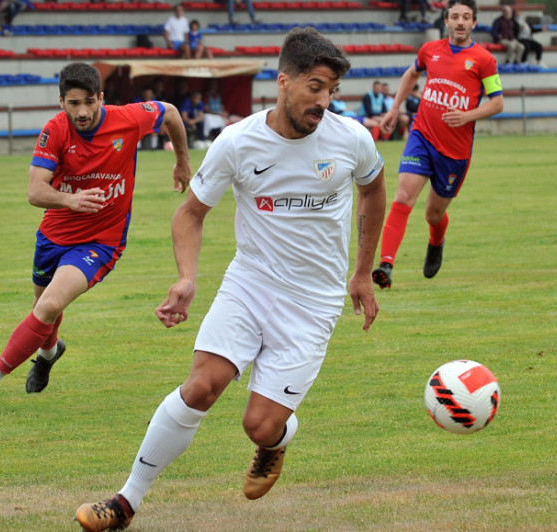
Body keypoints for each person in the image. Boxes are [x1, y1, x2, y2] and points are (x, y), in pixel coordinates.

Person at [74, 26, 386, 532]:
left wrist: (362, 273)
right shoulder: (238, 142)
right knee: (200, 387)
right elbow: (189, 213)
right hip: (250, 285)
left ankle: (276, 440)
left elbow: (373, 192)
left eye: (332, 91)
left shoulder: (350, 138)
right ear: (284, 81)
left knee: (259, 425)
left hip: (314, 303)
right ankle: (126, 501)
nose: (324, 101)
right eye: (315, 87)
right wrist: (187, 278)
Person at [0, 62, 191, 407]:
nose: (82, 112)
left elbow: (169, 113)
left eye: (88, 102)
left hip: (101, 241)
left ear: (101, 97)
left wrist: (182, 160)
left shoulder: (128, 119)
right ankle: (50, 353)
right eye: (73, 104)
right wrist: (71, 199)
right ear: (61, 101)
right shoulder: (54, 132)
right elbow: (35, 192)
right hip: (53, 237)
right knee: (42, 309)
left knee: (50, 304)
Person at [371, 0, 503, 289]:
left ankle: (436, 240)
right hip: (422, 136)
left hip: (454, 152)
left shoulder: (483, 59)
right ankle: (386, 265)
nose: (460, 22)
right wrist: (394, 108)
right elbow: (412, 73)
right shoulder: (430, 50)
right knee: (403, 197)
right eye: (455, 16)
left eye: (466, 17)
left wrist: (467, 115)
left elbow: (497, 102)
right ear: (445, 21)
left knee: (434, 213)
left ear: (474, 23)